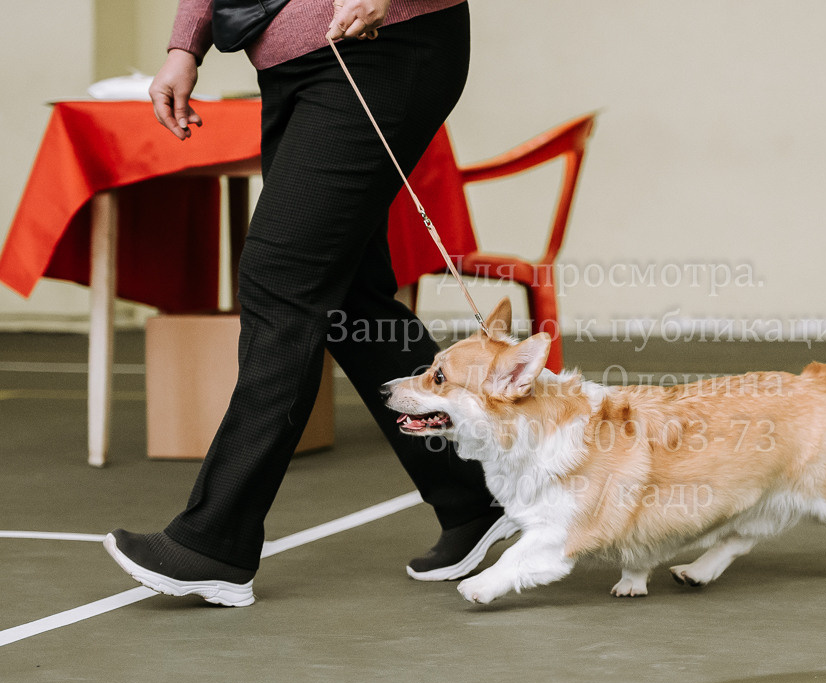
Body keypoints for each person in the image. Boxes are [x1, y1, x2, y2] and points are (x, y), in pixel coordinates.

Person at [103, 0, 516, 607]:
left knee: (280, 279)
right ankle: (476, 493)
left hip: (381, 45)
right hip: (288, 64)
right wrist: (183, 46)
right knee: (350, 299)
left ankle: (215, 540)